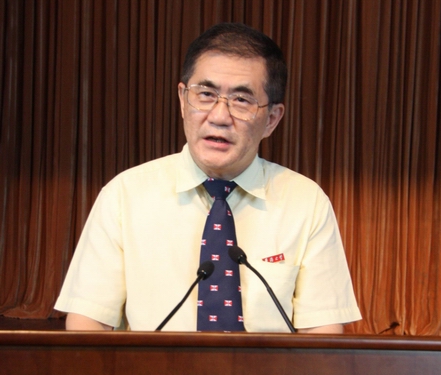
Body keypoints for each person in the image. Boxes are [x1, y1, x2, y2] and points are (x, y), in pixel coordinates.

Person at [55, 23, 361, 333]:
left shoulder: (306, 203)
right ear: (182, 99)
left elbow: (322, 334)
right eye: (205, 94)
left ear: (271, 119)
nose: (219, 116)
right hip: (154, 367)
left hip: (269, 368)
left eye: (242, 100)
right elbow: (88, 323)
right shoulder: (124, 196)